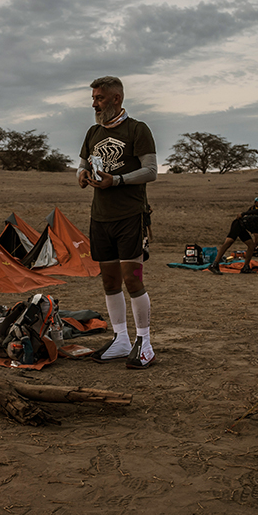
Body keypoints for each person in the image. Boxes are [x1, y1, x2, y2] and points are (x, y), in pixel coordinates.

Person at [77, 76, 158, 369]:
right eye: (94, 99)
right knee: (109, 281)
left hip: (129, 215)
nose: (94, 103)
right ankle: (121, 338)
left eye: (99, 98)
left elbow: (151, 171)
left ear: (116, 99)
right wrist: (83, 178)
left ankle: (144, 341)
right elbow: (82, 166)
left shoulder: (137, 129)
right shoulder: (93, 132)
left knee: (132, 279)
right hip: (100, 217)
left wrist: (118, 180)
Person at [208, 210, 258, 274]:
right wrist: (243, 214)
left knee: (251, 246)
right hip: (238, 224)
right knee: (229, 242)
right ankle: (214, 264)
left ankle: (246, 267)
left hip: (243, 229)